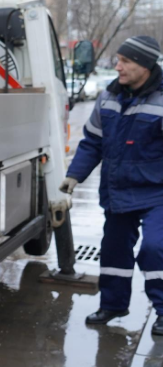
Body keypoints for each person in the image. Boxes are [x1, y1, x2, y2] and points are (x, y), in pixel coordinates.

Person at [60, 36, 163, 336]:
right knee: (114, 250)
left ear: (144, 65)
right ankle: (114, 304)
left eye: (125, 61)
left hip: (157, 192)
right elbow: (92, 142)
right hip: (118, 190)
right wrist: (74, 175)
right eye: (118, 60)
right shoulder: (108, 98)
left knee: (156, 249)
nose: (117, 66)